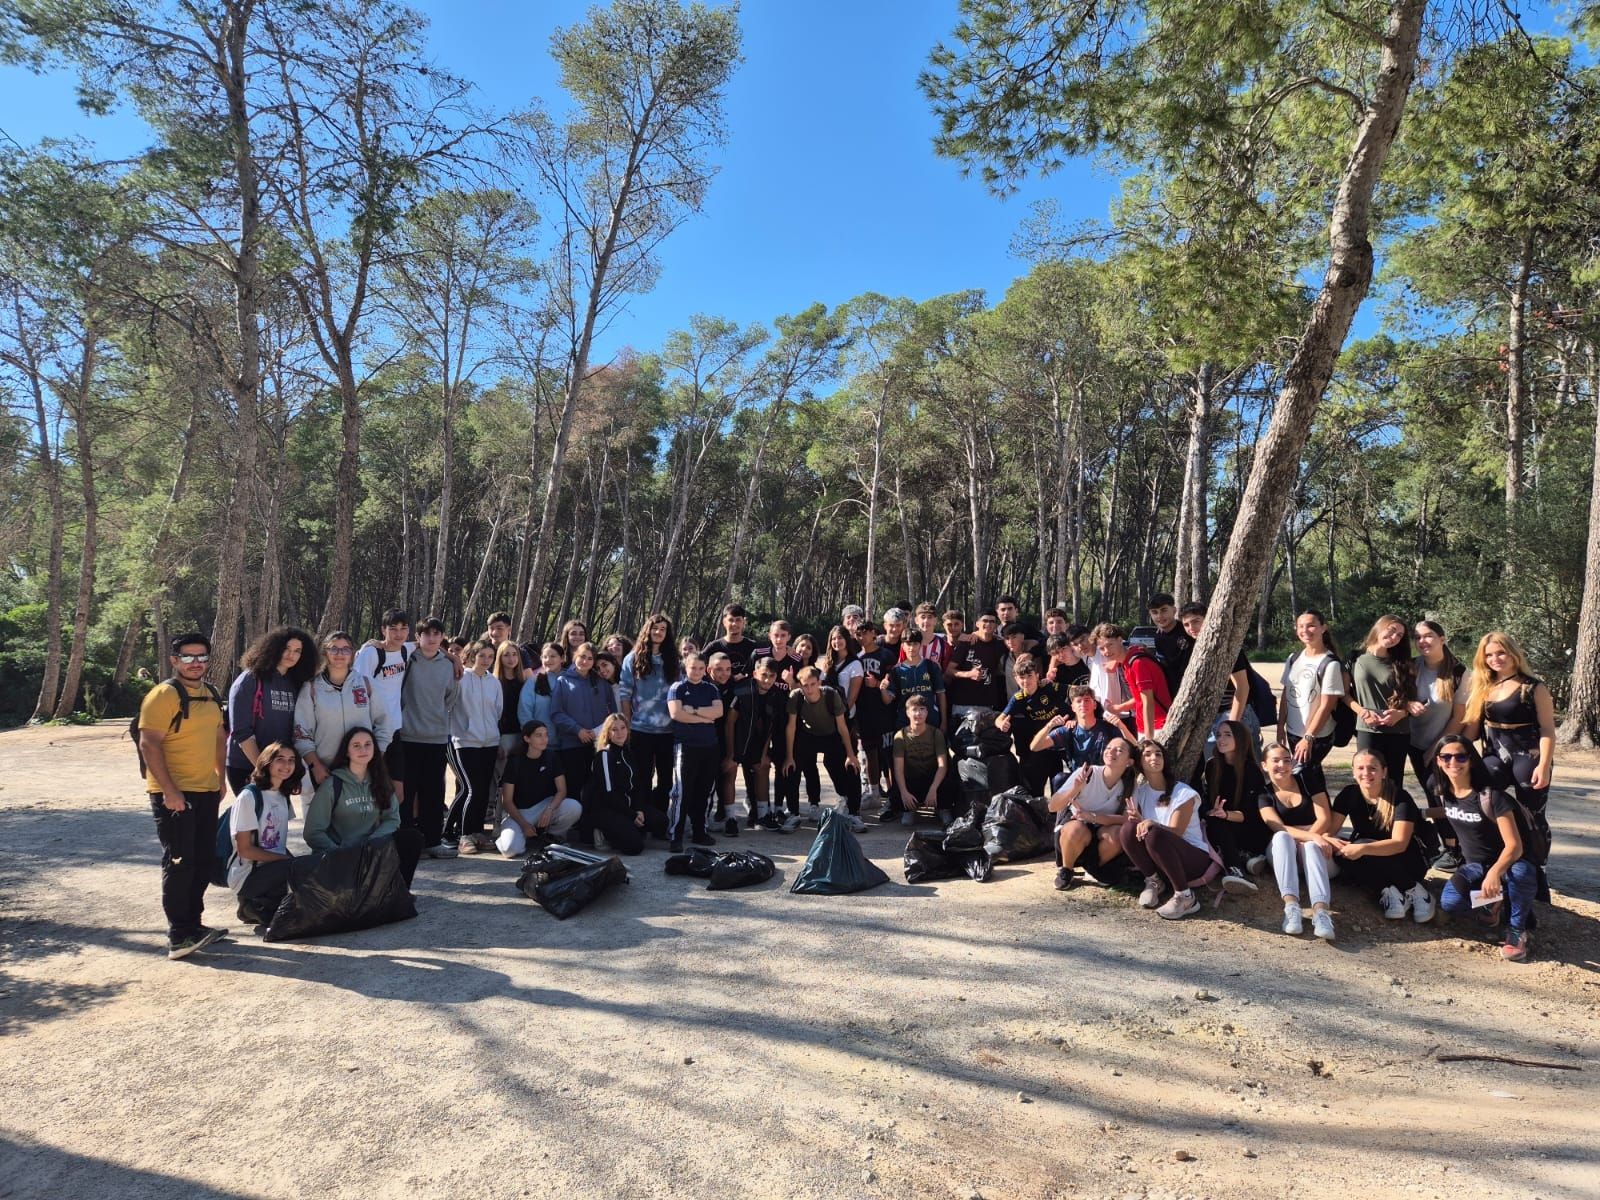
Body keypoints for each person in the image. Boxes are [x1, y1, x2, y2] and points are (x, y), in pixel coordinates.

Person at [139, 632, 230, 960]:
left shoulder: (211, 693)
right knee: (180, 862)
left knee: (203, 860)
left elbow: (220, 735)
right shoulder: (163, 695)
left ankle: (194, 925)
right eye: (188, 657)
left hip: (205, 789)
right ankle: (179, 935)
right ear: (174, 660)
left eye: (202, 657)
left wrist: (221, 778)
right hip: (174, 793)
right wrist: (169, 790)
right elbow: (149, 743)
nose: (196, 663)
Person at [1428, 734, 1538, 962]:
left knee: (1523, 873)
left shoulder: (1492, 797)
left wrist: (1494, 873)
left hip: (1508, 864)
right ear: (1438, 761)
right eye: (1446, 757)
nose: (1453, 763)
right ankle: (1496, 900)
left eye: (1460, 757)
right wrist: (1414, 814)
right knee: (1451, 903)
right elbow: (1452, 812)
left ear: (1471, 760)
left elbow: (1514, 846)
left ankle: (1516, 930)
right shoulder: (1443, 792)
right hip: (1474, 866)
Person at [1461, 630, 1556, 851]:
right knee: (1483, 803)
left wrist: (1543, 766)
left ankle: (1537, 872)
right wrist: (1456, 755)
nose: (1495, 659)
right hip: (1494, 756)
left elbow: (1548, 730)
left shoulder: (1533, 687)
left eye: (1501, 653)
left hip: (1529, 757)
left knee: (1533, 815)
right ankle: (1496, 857)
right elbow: (1472, 729)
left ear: (1513, 654)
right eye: (1489, 655)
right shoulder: (1483, 686)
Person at [302, 726, 424, 886]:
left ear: (375, 749)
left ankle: (398, 893)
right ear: (347, 751)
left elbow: (392, 819)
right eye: (356, 745)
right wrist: (339, 853)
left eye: (368, 744)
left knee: (411, 838)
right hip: (341, 855)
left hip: (371, 851)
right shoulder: (332, 785)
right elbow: (313, 832)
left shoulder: (381, 781)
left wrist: (373, 842)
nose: (363, 749)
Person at [1328, 750, 1434, 923]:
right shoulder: (1349, 794)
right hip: (1372, 855)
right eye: (1360, 768)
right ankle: (1389, 891)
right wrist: (1331, 840)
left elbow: (1399, 843)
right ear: (1353, 772)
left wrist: (1362, 848)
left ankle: (1415, 890)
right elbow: (1330, 831)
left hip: (1407, 859)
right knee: (1342, 851)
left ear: (1383, 772)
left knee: (1361, 845)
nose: (1366, 773)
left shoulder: (1400, 798)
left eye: (1372, 768)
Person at [1119, 739, 1221, 920]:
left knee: (1155, 835)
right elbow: (1142, 828)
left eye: (1158, 754)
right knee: (1128, 829)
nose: (1154, 758)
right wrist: (1140, 821)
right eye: (1148, 754)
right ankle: (1154, 881)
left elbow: (1176, 832)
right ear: (1139, 762)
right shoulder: (1141, 792)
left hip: (1193, 858)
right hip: (1162, 859)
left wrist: (1151, 823)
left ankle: (1186, 897)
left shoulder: (1183, 792)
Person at [293, 630, 393, 790]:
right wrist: (315, 766)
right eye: (334, 649)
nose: (339, 654)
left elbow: (384, 725)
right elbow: (302, 734)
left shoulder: (366, 685)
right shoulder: (311, 688)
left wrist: (375, 760)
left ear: (352, 653)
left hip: (363, 769)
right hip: (326, 770)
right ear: (325, 652)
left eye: (345, 649)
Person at [1256, 743, 1338, 940]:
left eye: (1286, 759)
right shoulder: (1263, 794)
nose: (1282, 765)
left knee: (1310, 846)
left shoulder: (1308, 781)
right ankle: (1291, 908)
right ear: (1264, 765)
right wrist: (1310, 835)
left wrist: (1309, 839)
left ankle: (1321, 912)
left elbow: (1325, 818)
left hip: (1317, 853)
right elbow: (1278, 827)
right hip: (1285, 853)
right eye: (1275, 760)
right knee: (1283, 837)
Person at [225, 625, 316, 793]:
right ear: (274, 648)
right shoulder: (250, 679)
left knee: (277, 819)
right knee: (251, 819)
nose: (291, 655)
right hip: (248, 767)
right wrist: (264, 769)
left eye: (297, 651)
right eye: (286, 648)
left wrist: (286, 769)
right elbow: (241, 731)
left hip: (281, 770)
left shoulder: (296, 683)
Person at [398, 617, 460, 859]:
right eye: (427, 634)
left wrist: (453, 657)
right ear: (419, 637)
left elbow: (450, 698)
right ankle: (408, 843)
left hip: (436, 738)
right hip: (407, 736)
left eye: (437, 634)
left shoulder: (448, 665)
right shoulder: (407, 658)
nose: (432, 638)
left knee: (433, 793)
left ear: (442, 637)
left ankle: (432, 841)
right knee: (406, 793)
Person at [1408, 619, 1467, 866]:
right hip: (1413, 743)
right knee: (1432, 794)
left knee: (1442, 794)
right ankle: (1447, 846)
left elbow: (1459, 717)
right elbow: (1398, 699)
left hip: (1442, 747)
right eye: (1419, 637)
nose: (1423, 641)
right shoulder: (1411, 667)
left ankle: (1458, 848)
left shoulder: (1459, 672)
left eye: (1429, 635)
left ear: (1442, 639)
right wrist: (1407, 704)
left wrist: (1436, 749)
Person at [225, 741, 302, 927]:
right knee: (294, 870)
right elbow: (245, 850)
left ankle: (259, 905)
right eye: (280, 759)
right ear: (267, 762)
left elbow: (277, 843)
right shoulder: (249, 796)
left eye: (291, 760)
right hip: (247, 875)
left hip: (272, 868)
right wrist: (285, 861)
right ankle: (249, 902)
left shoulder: (282, 794)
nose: (286, 765)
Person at [1047, 737, 1136, 891]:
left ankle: (1093, 868)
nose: (1111, 752)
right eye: (1108, 748)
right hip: (1075, 824)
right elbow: (1052, 806)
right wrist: (1074, 789)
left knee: (1118, 833)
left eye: (1119, 750)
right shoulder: (1088, 773)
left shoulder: (1129, 785)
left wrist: (1093, 817)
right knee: (1076, 829)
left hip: (1102, 826)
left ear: (1129, 762)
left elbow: (1126, 819)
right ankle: (1067, 870)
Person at [782, 666, 863, 831]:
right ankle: (793, 813)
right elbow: (791, 727)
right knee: (791, 767)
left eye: (813, 684)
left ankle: (854, 812)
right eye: (805, 685)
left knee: (850, 766)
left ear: (819, 682)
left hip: (832, 735)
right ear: (800, 685)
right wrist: (789, 757)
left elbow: (842, 727)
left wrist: (850, 754)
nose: (810, 689)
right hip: (808, 736)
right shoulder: (795, 697)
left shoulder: (831, 695)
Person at [1277, 609, 1344, 797]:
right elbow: (1286, 694)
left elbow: (1327, 705)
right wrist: (1281, 726)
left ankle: (1321, 819)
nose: (1306, 630)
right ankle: (1320, 819)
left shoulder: (1330, 663)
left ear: (1323, 628)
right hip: (1293, 732)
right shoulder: (1293, 658)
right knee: (1310, 777)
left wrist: (1309, 737)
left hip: (1316, 735)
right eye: (1301, 626)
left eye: (1311, 625)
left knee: (1303, 775)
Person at [620, 612, 681, 818]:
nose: (658, 632)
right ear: (648, 630)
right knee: (643, 778)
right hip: (640, 729)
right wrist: (627, 723)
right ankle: (643, 818)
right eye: (655, 628)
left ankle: (660, 819)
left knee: (665, 780)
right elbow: (625, 693)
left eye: (663, 629)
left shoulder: (673, 659)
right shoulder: (633, 658)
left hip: (667, 730)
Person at [445, 641, 503, 854]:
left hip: (489, 742)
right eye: (482, 655)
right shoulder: (460, 678)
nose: (486, 660)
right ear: (471, 656)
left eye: (490, 656)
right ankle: (464, 835)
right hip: (465, 741)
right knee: (472, 789)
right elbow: (449, 705)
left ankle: (478, 832)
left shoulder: (494, 682)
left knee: (482, 791)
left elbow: (498, 710)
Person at [1177, 603, 1259, 752]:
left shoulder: (1226, 647)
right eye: (1186, 624)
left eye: (1196, 621)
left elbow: (1242, 686)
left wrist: (1233, 724)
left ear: (1208, 619)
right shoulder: (1193, 649)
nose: (1191, 628)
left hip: (1235, 713)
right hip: (1210, 717)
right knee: (1216, 767)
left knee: (1245, 766)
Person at [353, 609, 414, 806]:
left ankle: (390, 834)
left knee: (398, 793)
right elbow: (357, 687)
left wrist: (454, 658)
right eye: (393, 629)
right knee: (371, 787)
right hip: (373, 729)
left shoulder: (407, 649)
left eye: (403, 628)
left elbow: (432, 645)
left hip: (395, 729)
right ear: (383, 630)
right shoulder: (371, 653)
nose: (399, 634)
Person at [495, 721, 583, 856]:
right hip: (518, 813)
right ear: (527, 738)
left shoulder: (552, 757)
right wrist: (524, 824)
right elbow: (507, 801)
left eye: (546, 735)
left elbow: (562, 791)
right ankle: (512, 835)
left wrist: (550, 809)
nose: (544, 739)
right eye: (539, 735)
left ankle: (552, 836)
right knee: (509, 850)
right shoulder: (515, 761)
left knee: (574, 807)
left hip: (544, 807)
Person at [1201, 720, 1269, 893]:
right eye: (1218, 735)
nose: (1221, 739)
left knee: (1219, 821)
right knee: (1213, 820)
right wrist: (1213, 812)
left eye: (1227, 735)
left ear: (1240, 738)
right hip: (1221, 822)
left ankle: (1236, 869)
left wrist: (1226, 814)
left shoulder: (1251, 770)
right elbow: (1209, 799)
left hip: (1247, 825)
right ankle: (1242, 857)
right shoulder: (1212, 765)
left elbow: (1251, 814)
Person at [1347, 614, 1415, 785]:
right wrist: (1362, 712)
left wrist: (1401, 714)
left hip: (1398, 730)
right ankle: (1368, 813)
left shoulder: (1401, 662)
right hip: (1367, 728)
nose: (1394, 638)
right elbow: (1343, 695)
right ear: (1379, 626)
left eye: (1399, 635)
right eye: (1391, 631)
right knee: (1367, 779)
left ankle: (1392, 813)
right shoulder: (1354, 658)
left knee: (1393, 782)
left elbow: (1412, 698)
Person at [666, 652, 724, 852]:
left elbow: (718, 712)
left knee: (705, 791)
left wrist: (694, 710)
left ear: (706, 669)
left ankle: (700, 831)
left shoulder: (711, 689)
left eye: (701, 668)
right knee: (681, 792)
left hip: (709, 746)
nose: (697, 672)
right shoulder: (678, 688)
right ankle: (676, 834)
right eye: (693, 668)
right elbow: (676, 714)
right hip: (686, 746)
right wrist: (705, 717)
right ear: (685, 668)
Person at [572, 714, 649, 854]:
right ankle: (601, 833)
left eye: (622, 728)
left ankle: (626, 828)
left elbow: (637, 786)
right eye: (614, 729)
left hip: (626, 806)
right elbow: (608, 794)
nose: (620, 733)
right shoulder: (605, 755)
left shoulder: (628, 752)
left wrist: (639, 810)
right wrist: (631, 815)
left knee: (660, 823)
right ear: (607, 733)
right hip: (605, 809)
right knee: (635, 847)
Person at [551, 642, 618, 799]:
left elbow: (613, 713)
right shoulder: (563, 681)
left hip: (598, 745)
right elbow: (556, 713)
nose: (585, 661)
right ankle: (575, 822)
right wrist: (577, 730)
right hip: (571, 744)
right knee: (574, 787)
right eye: (582, 656)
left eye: (589, 658)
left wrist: (599, 733)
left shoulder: (602, 684)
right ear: (575, 656)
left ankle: (593, 821)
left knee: (596, 787)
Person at [995, 653, 1067, 795]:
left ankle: (1056, 814)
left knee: (1058, 784)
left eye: (1029, 676)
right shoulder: (1018, 698)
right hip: (1034, 748)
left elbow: (1074, 694)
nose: (1026, 681)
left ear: (1037, 676)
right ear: (1016, 679)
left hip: (1054, 745)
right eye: (1021, 677)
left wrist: (1073, 719)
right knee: (1033, 789)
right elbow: (999, 718)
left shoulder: (1049, 688)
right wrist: (1001, 724)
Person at [726, 657, 785, 830]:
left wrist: (764, 754)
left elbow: (772, 728)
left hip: (758, 742)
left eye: (771, 676)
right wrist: (730, 755)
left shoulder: (777, 696)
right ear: (754, 674)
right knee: (730, 770)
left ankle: (762, 814)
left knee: (763, 767)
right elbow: (730, 722)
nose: (767, 680)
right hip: (736, 740)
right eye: (763, 675)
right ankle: (730, 818)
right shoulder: (741, 691)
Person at [889, 695, 957, 826]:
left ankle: (943, 809)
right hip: (913, 780)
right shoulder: (900, 736)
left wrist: (933, 789)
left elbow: (942, 766)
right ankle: (909, 808)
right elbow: (898, 769)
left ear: (927, 712)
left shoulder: (936, 734)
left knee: (949, 783)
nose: (918, 713)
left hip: (932, 779)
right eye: (914, 709)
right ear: (907, 712)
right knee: (896, 793)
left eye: (922, 709)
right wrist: (904, 793)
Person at [1094, 623, 1170, 736]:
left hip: (1157, 726)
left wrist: (1149, 738)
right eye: (1101, 648)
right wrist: (1119, 708)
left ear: (1120, 640)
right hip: (1146, 725)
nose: (1106, 651)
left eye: (1110, 645)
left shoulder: (1137, 663)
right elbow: (1140, 697)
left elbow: (1147, 701)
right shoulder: (1127, 662)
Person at [853, 622, 898, 802]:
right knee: (870, 754)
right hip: (864, 713)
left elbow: (894, 683)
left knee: (888, 755)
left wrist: (877, 683)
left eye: (865, 633)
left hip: (885, 712)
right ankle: (874, 793)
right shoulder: (856, 658)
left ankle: (895, 794)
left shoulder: (886, 655)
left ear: (873, 633)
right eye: (858, 634)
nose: (862, 637)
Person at [881, 628, 948, 734]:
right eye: (908, 644)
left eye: (915, 644)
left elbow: (941, 694)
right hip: (905, 723)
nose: (911, 648)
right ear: (902, 645)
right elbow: (887, 700)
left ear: (920, 645)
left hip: (931, 721)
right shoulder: (896, 670)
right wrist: (883, 689)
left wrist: (944, 721)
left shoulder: (931, 666)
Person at [946, 611, 1005, 717]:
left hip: (987, 704)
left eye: (992, 621)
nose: (988, 624)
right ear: (977, 623)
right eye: (985, 621)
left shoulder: (1000, 644)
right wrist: (969, 674)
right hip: (962, 704)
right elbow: (949, 671)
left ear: (996, 625)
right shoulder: (966, 642)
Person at [1146, 593, 1193, 693]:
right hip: (1171, 690)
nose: (1159, 616)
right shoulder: (1158, 637)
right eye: (1155, 612)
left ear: (1174, 610)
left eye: (1164, 610)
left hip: (1192, 685)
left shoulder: (1188, 630)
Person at [518, 642, 566, 733]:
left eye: (553, 656)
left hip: (570, 740)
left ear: (562, 658)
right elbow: (524, 711)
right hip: (540, 741)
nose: (548, 660)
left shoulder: (570, 680)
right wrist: (532, 733)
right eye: (545, 657)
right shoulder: (533, 682)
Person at [705, 602, 757, 681]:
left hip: (747, 692)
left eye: (738, 620)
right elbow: (696, 664)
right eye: (731, 620)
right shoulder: (714, 647)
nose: (734, 624)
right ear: (724, 622)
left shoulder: (753, 647)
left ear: (744, 622)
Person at [751, 619, 804, 694]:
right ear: (770, 636)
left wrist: (791, 682)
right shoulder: (758, 654)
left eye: (783, 635)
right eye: (776, 635)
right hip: (759, 702)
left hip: (784, 703)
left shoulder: (796, 659)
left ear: (788, 637)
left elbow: (801, 691)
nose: (779, 639)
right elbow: (747, 680)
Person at [912, 602, 951, 670]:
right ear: (916, 620)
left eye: (930, 617)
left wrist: (938, 670)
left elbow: (947, 675)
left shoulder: (944, 646)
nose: (926, 621)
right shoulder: (908, 643)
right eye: (923, 617)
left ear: (935, 620)